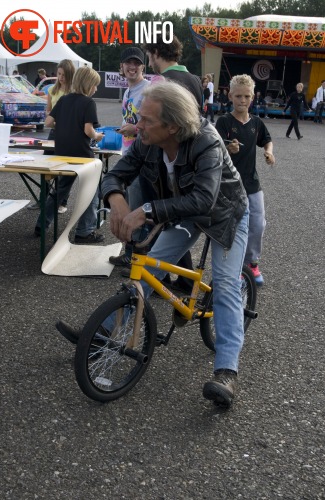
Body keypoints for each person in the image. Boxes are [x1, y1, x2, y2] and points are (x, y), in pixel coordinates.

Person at [56, 80, 249, 408]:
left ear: (172, 126)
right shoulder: (147, 140)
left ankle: (226, 372)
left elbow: (204, 199)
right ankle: (100, 332)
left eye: (146, 120)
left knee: (228, 285)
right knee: (148, 270)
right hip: (182, 210)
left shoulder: (207, 141)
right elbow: (115, 174)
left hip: (224, 214)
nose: (137, 125)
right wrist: (116, 200)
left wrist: (146, 210)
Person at [143, 34, 204, 293]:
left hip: (164, 161)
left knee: (162, 217)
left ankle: (161, 277)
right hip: (191, 162)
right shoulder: (194, 80)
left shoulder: (161, 82)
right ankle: (184, 279)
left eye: (149, 56)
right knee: (177, 221)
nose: (149, 61)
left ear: (156, 52)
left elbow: (150, 127)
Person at [216, 74, 275, 286]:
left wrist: (269, 152)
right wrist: (227, 149)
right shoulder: (223, 122)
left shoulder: (257, 123)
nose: (242, 100)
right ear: (230, 96)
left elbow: (267, 141)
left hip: (252, 183)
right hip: (229, 185)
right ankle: (232, 265)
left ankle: (251, 262)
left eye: (247, 96)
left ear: (253, 97)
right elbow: (215, 150)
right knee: (232, 225)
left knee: (258, 225)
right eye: (238, 96)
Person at [34, 66, 105, 243]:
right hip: (82, 156)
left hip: (62, 154)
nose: (95, 89)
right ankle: (84, 231)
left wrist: (65, 125)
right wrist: (97, 136)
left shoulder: (64, 100)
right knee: (91, 191)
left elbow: (49, 122)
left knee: (60, 190)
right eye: (95, 85)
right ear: (88, 85)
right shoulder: (89, 103)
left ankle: (41, 224)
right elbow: (88, 130)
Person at [109, 47, 151, 268]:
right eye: (128, 63)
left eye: (136, 63)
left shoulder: (148, 90)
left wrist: (134, 129)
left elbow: (151, 123)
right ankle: (132, 253)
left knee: (137, 205)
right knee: (130, 201)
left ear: (143, 66)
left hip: (143, 156)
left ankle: (136, 258)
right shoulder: (127, 92)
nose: (132, 67)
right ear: (122, 67)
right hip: (129, 153)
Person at [45, 59, 76, 213]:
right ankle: (43, 199)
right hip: (54, 131)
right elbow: (48, 111)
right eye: (59, 74)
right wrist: (52, 121)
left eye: (64, 74)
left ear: (71, 75)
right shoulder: (52, 90)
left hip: (69, 134)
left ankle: (62, 202)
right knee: (46, 166)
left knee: (64, 169)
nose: (61, 77)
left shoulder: (74, 91)